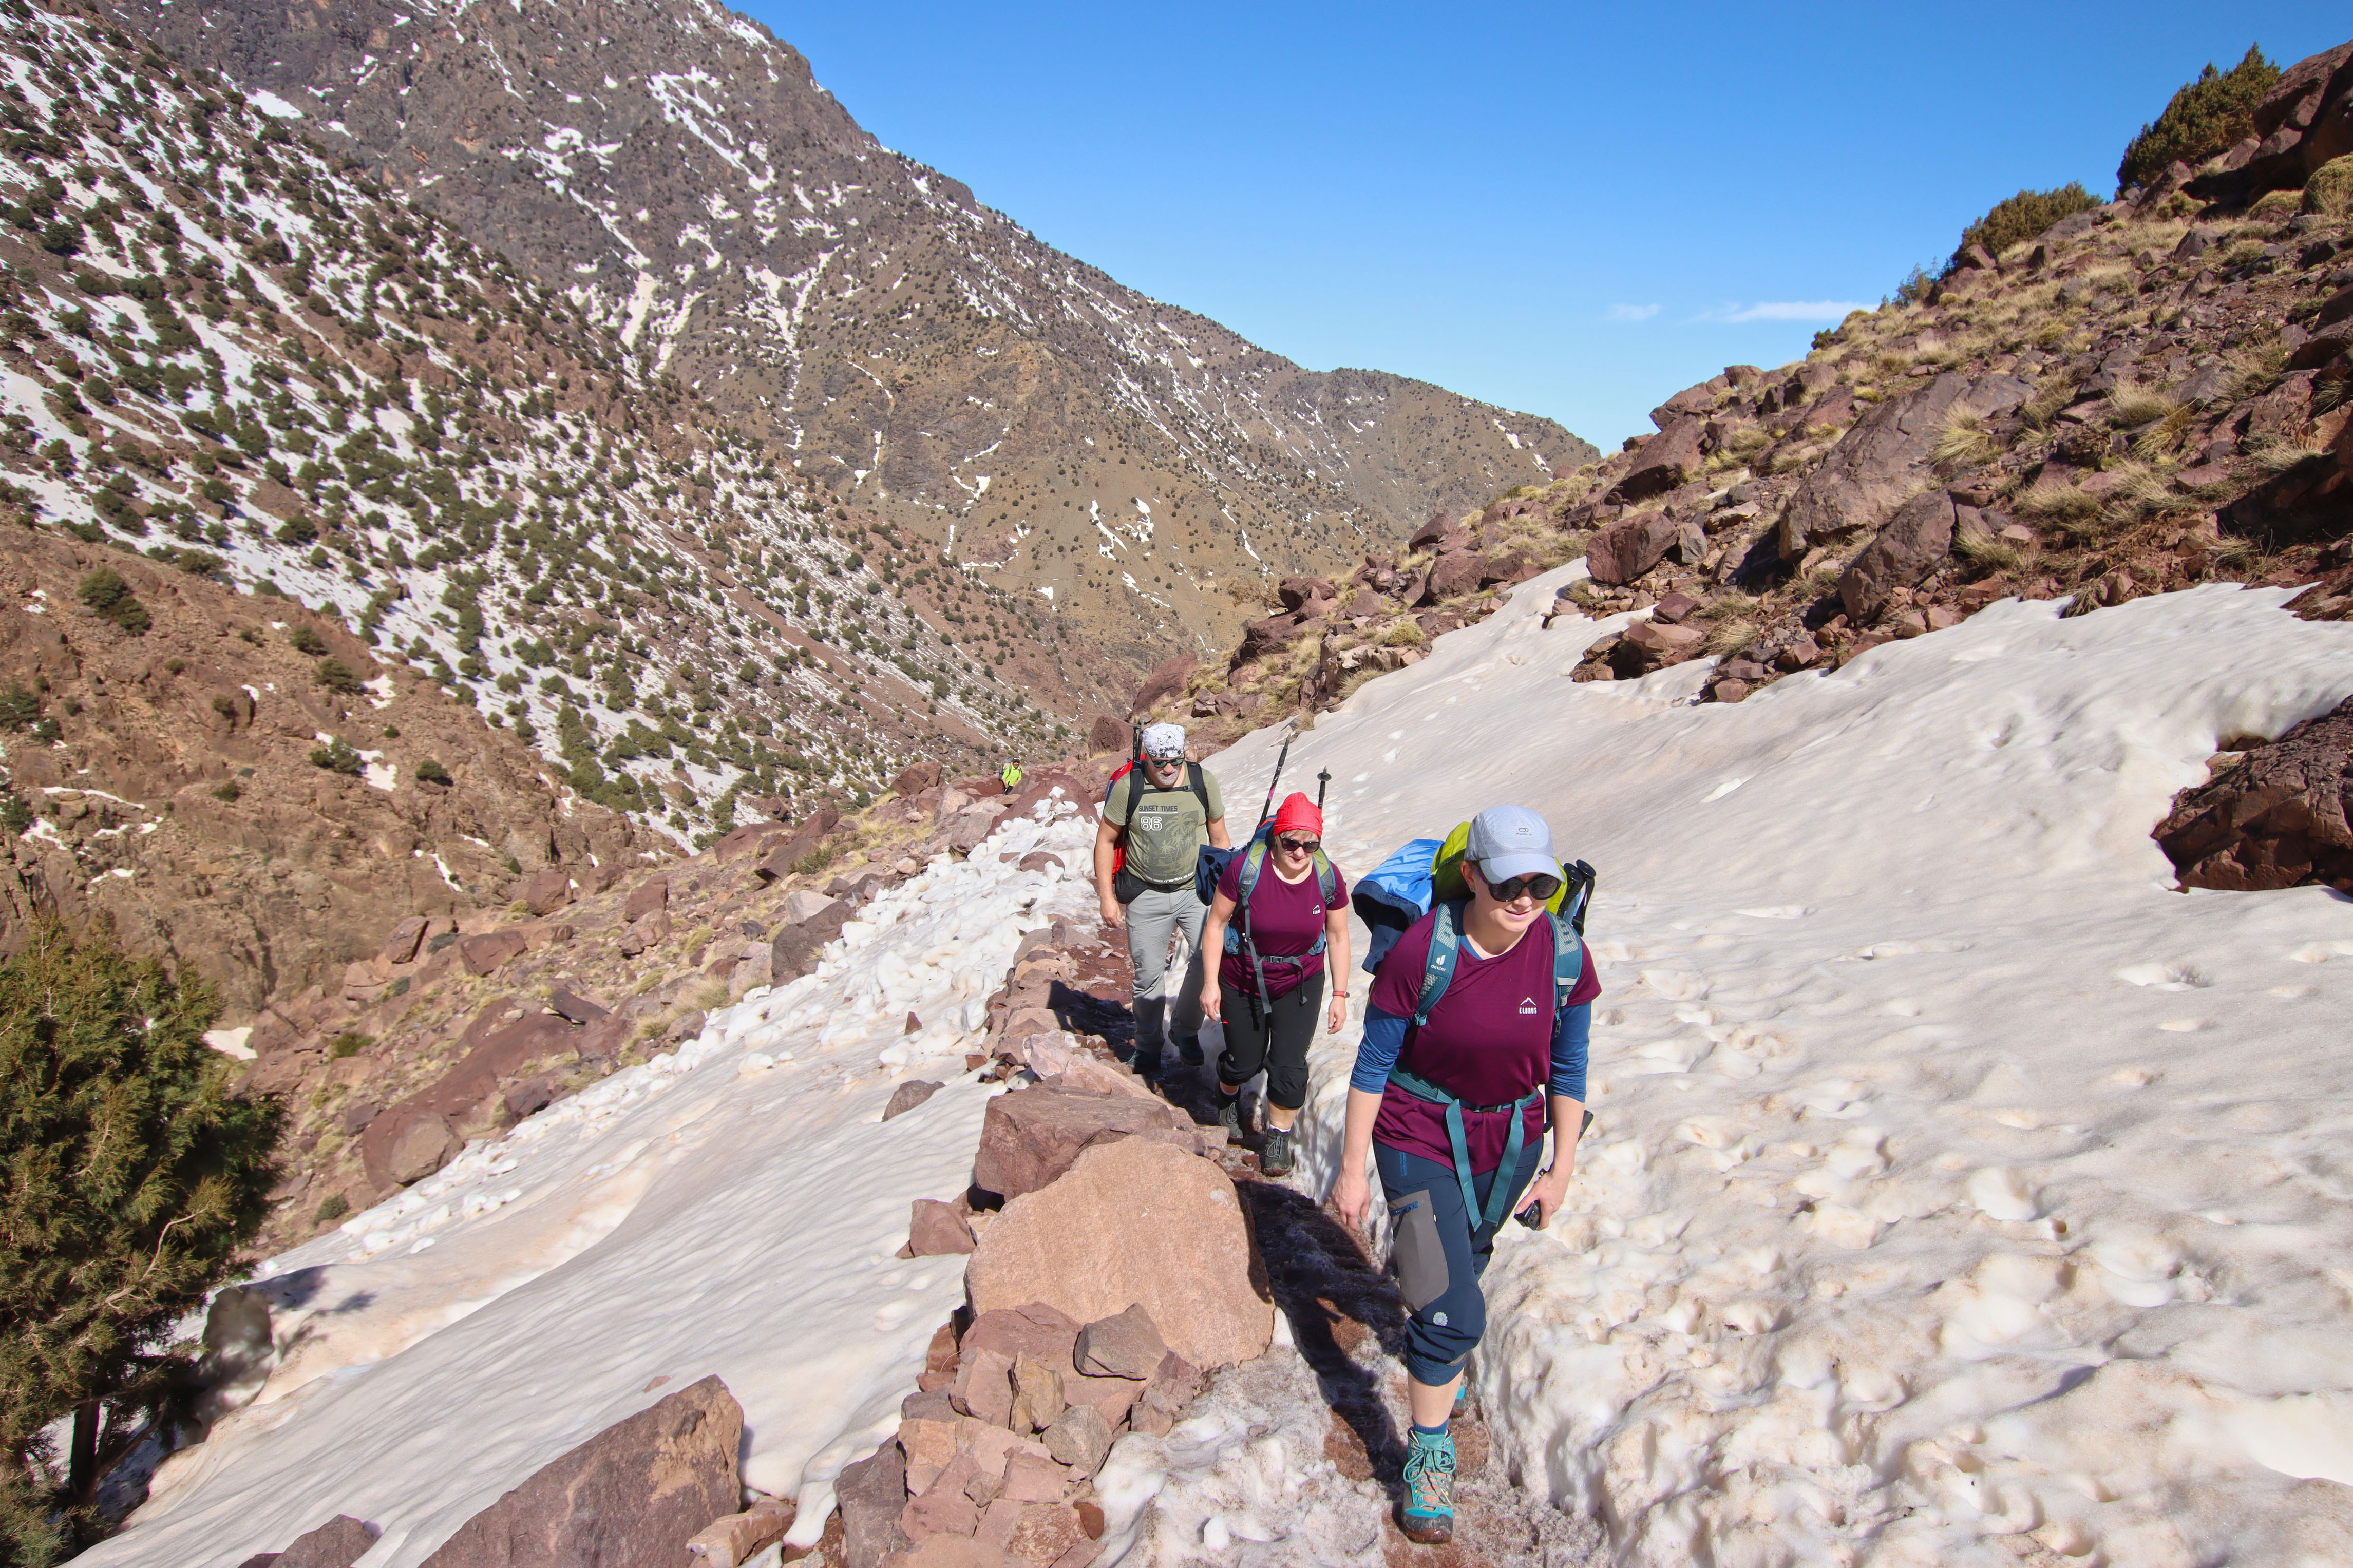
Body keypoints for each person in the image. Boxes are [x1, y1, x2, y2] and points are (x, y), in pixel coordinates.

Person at [1330, 804, 1599, 1546]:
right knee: (1453, 1309)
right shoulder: (1425, 950)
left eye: (1540, 884)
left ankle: (1434, 1337)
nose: (1524, 898)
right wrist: (1352, 1169)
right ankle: (1428, 1455)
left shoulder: (1565, 954)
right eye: (1508, 883)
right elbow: (1374, 1064)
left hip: (1510, 1139)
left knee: (1466, 1263)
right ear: (1473, 876)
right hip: (1416, 1130)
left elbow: (1569, 1067)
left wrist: (1561, 1168)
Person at [1197, 792, 1349, 1178]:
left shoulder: (1327, 877)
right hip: (1243, 978)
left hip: (1301, 982)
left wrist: (1340, 994)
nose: (1299, 853)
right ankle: (1228, 1092)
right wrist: (1210, 983)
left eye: (1310, 845)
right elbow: (1216, 925)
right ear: (1277, 838)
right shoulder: (1246, 870)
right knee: (1244, 1061)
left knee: (1289, 1066)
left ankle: (1279, 1136)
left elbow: (1338, 935)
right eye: (1291, 843)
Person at [1094, 722, 1228, 1076]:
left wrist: (1226, 892)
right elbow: (1106, 840)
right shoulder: (1130, 786)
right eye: (1159, 762)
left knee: (1208, 960)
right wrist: (1107, 897)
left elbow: (1220, 838)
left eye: (1175, 760)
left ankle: (1185, 1030)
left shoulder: (1202, 782)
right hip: (1145, 892)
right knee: (1148, 975)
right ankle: (1148, 1047)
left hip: (1194, 890)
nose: (1168, 769)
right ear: (1147, 758)